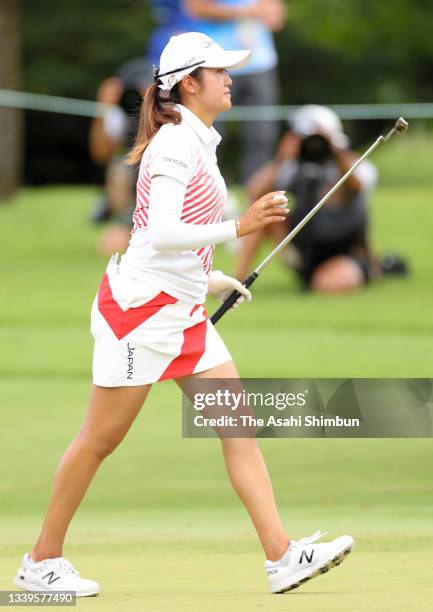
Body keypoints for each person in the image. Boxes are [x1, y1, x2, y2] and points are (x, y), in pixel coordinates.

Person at [14, 34, 353, 597]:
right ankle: (41, 562)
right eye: (219, 71)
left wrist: (209, 277)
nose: (230, 79)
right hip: (141, 315)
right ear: (189, 83)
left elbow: (173, 241)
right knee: (99, 440)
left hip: (181, 312)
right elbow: (157, 232)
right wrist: (238, 229)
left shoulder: (197, 140)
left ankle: (282, 556)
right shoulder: (175, 144)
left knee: (237, 426)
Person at [236, 104, 381, 292]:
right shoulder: (293, 167)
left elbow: (357, 186)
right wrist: (280, 159)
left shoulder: (353, 164)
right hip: (305, 251)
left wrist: (334, 151)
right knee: (263, 212)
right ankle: (238, 282)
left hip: (345, 251)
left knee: (326, 284)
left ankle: (372, 269)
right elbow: (253, 192)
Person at [89, 57, 152, 255]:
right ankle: (126, 221)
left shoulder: (170, 111)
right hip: (131, 192)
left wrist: (153, 107)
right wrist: (104, 108)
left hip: (161, 187)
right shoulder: (120, 113)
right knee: (119, 169)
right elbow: (101, 153)